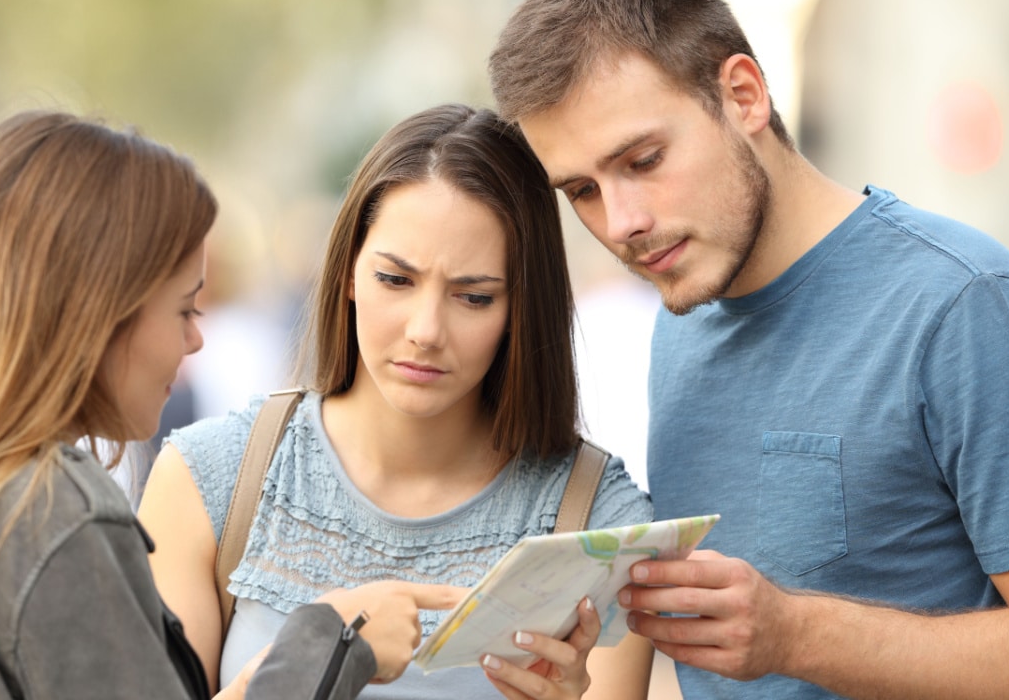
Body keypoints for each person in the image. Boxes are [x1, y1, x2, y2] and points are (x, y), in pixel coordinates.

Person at [0, 110, 463, 700]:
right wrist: (334, 645)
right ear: (98, 315)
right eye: (184, 308)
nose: (195, 341)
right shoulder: (49, 518)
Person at [489, 0, 1009, 698]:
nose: (620, 221)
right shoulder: (682, 322)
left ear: (744, 95)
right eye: (583, 192)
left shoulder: (966, 307)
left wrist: (797, 635)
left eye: (643, 160)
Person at [137, 103, 655, 700]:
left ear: (522, 309)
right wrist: (320, 655)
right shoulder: (211, 479)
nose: (425, 329)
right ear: (348, 274)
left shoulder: (600, 529)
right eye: (395, 280)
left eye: (474, 297)